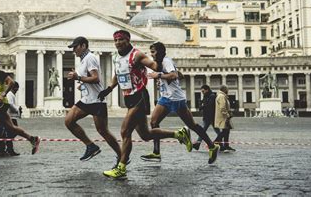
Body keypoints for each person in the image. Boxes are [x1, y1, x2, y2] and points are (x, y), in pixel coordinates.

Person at [98, 30, 193, 180]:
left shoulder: (137, 55)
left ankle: (121, 168)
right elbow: (118, 74)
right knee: (146, 135)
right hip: (128, 98)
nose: (118, 42)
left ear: (128, 40)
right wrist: (109, 89)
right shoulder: (117, 57)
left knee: (125, 131)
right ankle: (178, 133)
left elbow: (155, 66)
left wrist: (160, 59)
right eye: (115, 40)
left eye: (121, 39)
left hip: (139, 96)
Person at [140, 42, 219, 163]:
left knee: (192, 125)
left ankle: (212, 146)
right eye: (151, 52)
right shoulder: (161, 63)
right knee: (154, 122)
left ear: (160, 52)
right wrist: (162, 80)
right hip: (166, 98)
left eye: (153, 52)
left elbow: (174, 74)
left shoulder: (166, 61)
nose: (152, 55)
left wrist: (159, 75)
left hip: (176, 99)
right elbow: (179, 75)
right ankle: (156, 152)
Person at [64, 36, 122, 162]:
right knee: (69, 121)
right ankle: (91, 146)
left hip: (97, 101)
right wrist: (82, 84)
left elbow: (96, 78)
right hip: (87, 99)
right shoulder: (84, 60)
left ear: (83, 46)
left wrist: (78, 78)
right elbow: (89, 79)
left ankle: (122, 155)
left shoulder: (90, 58)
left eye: (75, 47)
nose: (74, 50)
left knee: (103, 131)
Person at [193, 84, 220, 151]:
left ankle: (198, 144)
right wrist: (201, 104)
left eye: (203, 91)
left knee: (203, 131)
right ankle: (198, 144)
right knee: (204, 131)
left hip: (211, 116)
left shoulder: (212, 96)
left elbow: (209, 105)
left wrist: (202, 106)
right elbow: (204, 105)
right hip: (206, 116)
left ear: (207, 90)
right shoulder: (206, 96)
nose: (202, 93)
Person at [214, 85, 235, 152]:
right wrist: (227, 115)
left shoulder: (221, 96)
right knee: (225, 131)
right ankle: (215, 142)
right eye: (227, 89)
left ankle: (226, 145)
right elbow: (222, 107)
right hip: (223, 117)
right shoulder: (222, 96)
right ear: (224, 90)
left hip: (224, 116)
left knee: (227, 131)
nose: (228, 91)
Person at [4, 82, 21, 156]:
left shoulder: (11, 94)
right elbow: (10, 104)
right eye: (17, 89)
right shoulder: (10, 94)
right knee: (14, 132)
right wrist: (17, 109)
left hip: (11, 116)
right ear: (15, 88)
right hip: (10, 117)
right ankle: (9, 148)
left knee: (10, 133)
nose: (17, 90)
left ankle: (9, 148)